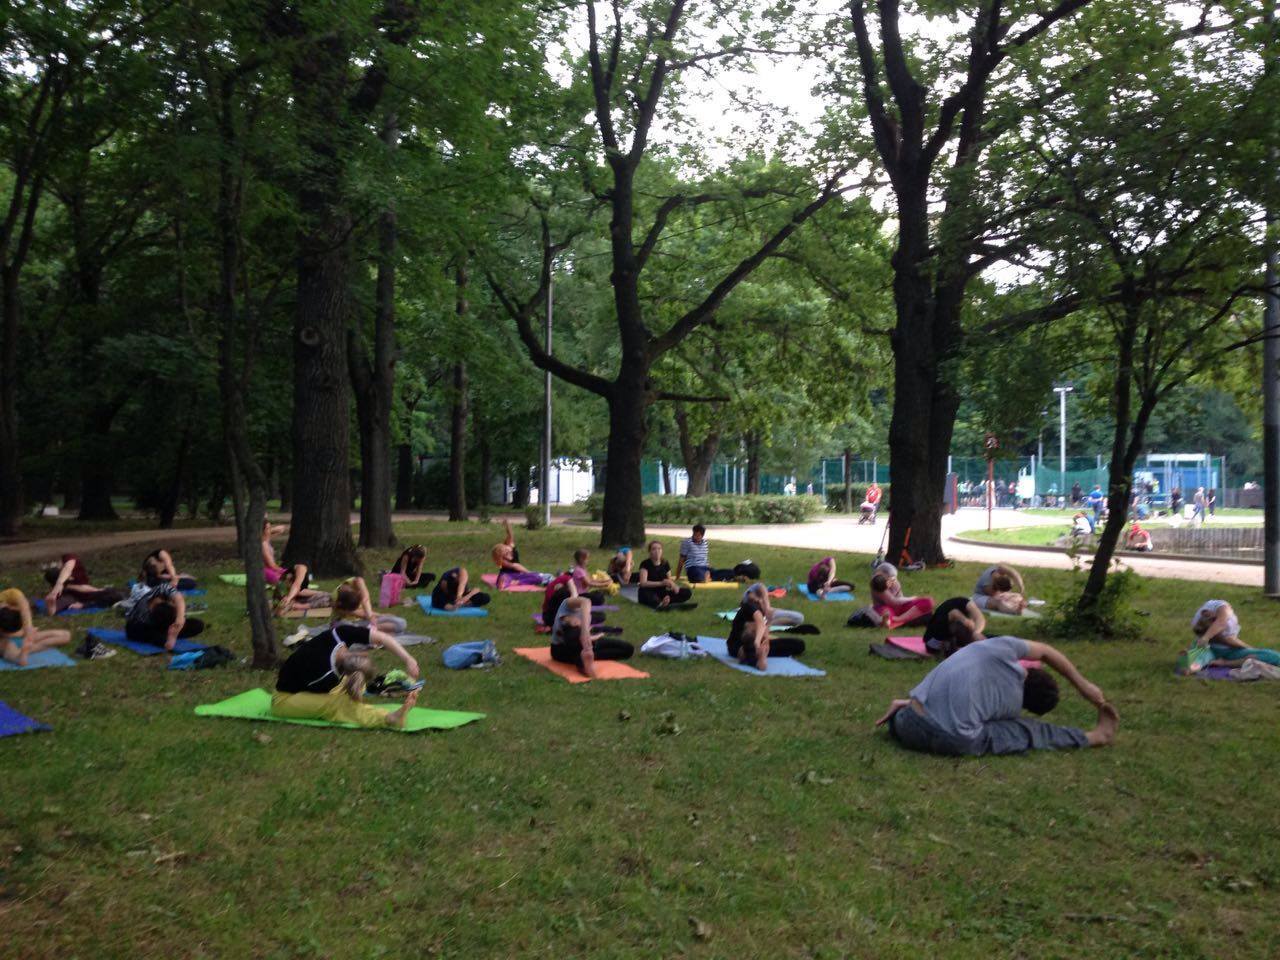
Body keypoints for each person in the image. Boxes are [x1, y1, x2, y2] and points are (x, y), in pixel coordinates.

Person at [876, 635, 1119, 756]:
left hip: (906, 726)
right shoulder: (1010, 710)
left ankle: (905, 709)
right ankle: (1095, 737)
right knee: (1029, 732)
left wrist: (1082, 685)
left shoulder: (1001, 646)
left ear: (1029, 669)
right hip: (951, 742)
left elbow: (1045, 651)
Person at [272, 620, 421, 728]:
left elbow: (382, 638)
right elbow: (330, 694)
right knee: (338, 705)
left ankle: (382, 690)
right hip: (284, 700)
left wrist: (408, 659)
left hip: (312, 680)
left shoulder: (340, 634)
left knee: (349, 696)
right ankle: (389, 719)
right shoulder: (325, 675)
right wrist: (353, 697)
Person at [549, 595, 633, 679]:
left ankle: (586, 656)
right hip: (564, 650)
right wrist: (587, 635)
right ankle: (583, 659)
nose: (575, 621)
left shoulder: (584, 611)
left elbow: (586, 602)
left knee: (628, 649)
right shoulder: (565, 608)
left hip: (588, 642)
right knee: (573, 633)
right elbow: (573, 635)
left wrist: (590, 634)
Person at [727, 585, 807, 671]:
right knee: (756, 652)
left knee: (799, 644)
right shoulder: (750, 607)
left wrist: (766, 643)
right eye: (765, 602)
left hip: (750, 645)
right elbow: (761, 624)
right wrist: (757, 643)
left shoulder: (762, 611)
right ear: (759, 601)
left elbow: (764, 631)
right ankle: (753, 656)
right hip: (738, 645)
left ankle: (751, 655)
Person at [1187, 601, 1280, 668]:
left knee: (1199, 659)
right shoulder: (1221, 612)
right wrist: (1250, 648)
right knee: (1272, 656)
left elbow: (1220, 621)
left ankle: (1190, 664)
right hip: (1228, 652)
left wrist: (1205, 638)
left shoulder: (1209, 610)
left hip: (1207, 648)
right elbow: (1227, 637)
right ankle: (1225, 663)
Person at [122, 581, 205, 650]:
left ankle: (171, 632)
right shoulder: (143, 610)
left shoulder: (162, 589)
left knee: (198, 625)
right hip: (140, 627)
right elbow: (151, 627)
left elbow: (178, 598)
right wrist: (172, 636)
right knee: (156, 637)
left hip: (167, 624)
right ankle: (168, 636)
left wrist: (180, 619)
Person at [1, 588, 73, 666]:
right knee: (6, 646)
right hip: (7, 637)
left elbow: (25, 609)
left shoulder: (12, 595)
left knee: (66, 635)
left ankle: (24, 651)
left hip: (16, 633)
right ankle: (21, 654)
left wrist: (28, 630)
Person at [42, 554, 124, 613]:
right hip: (84, 597)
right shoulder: (67, 578)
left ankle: (53, 607)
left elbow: (67, 569)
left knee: (65, 600)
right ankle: (53, 606)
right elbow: (83, 588)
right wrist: (97, 591)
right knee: (114, 594)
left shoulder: (66, 581)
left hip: (71, 595)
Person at [330, 576, 409, 634]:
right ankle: (367, 631)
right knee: (341, 628)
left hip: (365, 621)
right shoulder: (336, 600)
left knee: (401, 623)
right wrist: (375, 617)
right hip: (347, 622)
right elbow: (359, 613)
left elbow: (365, 599)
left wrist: (377, 617)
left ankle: (369, 630)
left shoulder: (358, 581)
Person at [491, 518, 549, 587]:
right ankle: (506, 583)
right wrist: (528, 572)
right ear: (501, 555)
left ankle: (517, 582)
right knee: (504, 580)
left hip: (518, 574)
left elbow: (510, 535)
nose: (507, 551)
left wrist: (507, 525)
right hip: (507, 574)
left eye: (505, 549)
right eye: (504, 552)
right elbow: (515, 566)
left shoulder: (510, 545)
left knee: (538, 577)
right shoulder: (502, 560)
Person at [921, 596, 986, 658]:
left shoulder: (967, 605)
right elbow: (954, 613)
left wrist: (976, 632)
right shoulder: (956, 612)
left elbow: (980, 618)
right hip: (933, 643)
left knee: (970, 628)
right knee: (962, 626)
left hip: (942, 641)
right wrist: (966, 621)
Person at [637, 541, 694, 610]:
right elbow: (643, 583)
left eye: (659, 549)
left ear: (662, 551)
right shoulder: (645, 564)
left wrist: (673, 586)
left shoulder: (665, 563)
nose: (657, 551)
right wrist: (661, 583)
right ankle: (660, 602)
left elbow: (669, 580)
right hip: (649, 591)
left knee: (687, 592)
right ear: (650, 552)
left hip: (662, 592)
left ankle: (666, 601)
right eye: (654, 549)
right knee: (647, 595)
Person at [869, 571, 934, 627]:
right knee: (886, 613)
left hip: (900, 607)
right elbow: (893, 602)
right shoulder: (878, 585)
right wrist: (911, 598)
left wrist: (896, 588)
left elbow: (900, 597)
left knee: (928, 601)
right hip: (886, 607)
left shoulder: (892, 580)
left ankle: (898, 619)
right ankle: (889, 621)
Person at [261, 521, 311, 592]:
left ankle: (297, 587)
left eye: (270, 527)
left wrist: (274, 529)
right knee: (290, 577)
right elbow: (271, 565)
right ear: (263, 531)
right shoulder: (263, 545)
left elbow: (278, 531)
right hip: (266, 571)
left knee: (294, 575)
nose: (270, 530)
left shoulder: (266, 540)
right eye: (268, 528)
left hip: (271, 569)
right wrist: (284, 571)